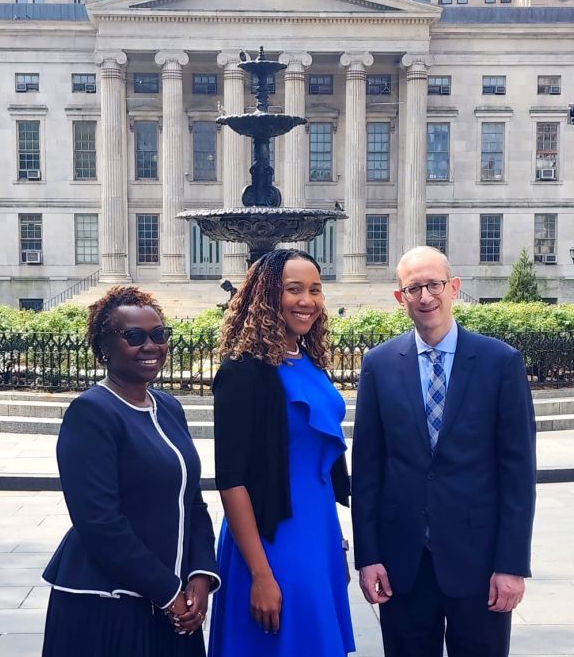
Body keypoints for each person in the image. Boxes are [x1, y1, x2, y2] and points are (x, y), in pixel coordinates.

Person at [351, 246, 536, 657]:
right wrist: (369, 557)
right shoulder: (379, 364)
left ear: (453, 288)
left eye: (433, 284)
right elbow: (367, 470)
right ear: (400, 298)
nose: (425, 296)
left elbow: (518, 474)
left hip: (480, 562)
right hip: (403, 564)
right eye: (413, 288)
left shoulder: (499, 362)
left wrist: (511, 564)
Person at [42, 286, 220, 657]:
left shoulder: (169, 407)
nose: (151, 346)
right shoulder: (92, 413)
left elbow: (193, 503)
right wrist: (168, 591)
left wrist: (201, 575)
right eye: (135, 337)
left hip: (174, 603)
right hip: (108, 604)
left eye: (159, 334)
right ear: (105, 346)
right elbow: (99, 523)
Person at [208, 249, 355, 657]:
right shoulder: (242, 371)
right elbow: (231, 480)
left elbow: (318, 466)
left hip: (318, 530)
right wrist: (260, 574)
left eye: (315, 290)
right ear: (267, 295)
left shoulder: (308, 361)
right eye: (293, 290)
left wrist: (336, 544)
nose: (306, 301)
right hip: (271, 538)